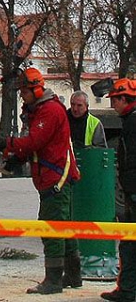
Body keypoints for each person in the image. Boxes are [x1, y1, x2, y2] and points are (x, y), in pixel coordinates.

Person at [0, 67, 80, 295]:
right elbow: (36, 146)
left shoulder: (49, 111)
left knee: (52, 227)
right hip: (52, 175)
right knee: (64, 227)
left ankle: (53, 280)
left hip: (55, 177)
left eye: (24, 91)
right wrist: (15, 158)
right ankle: (72, 274)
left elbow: (34, 141)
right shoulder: (40, 110)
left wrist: (6, 144)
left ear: (36, 90)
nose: (22, 95)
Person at [101, 78, 136, 302]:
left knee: (130, 243)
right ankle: (128, 288)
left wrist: (131, 190)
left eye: (114, 100)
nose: (112, 105)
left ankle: (128, 290)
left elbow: (132, 160)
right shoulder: (130, 121)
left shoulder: (132, 123)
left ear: (124, 98)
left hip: (134, 192)